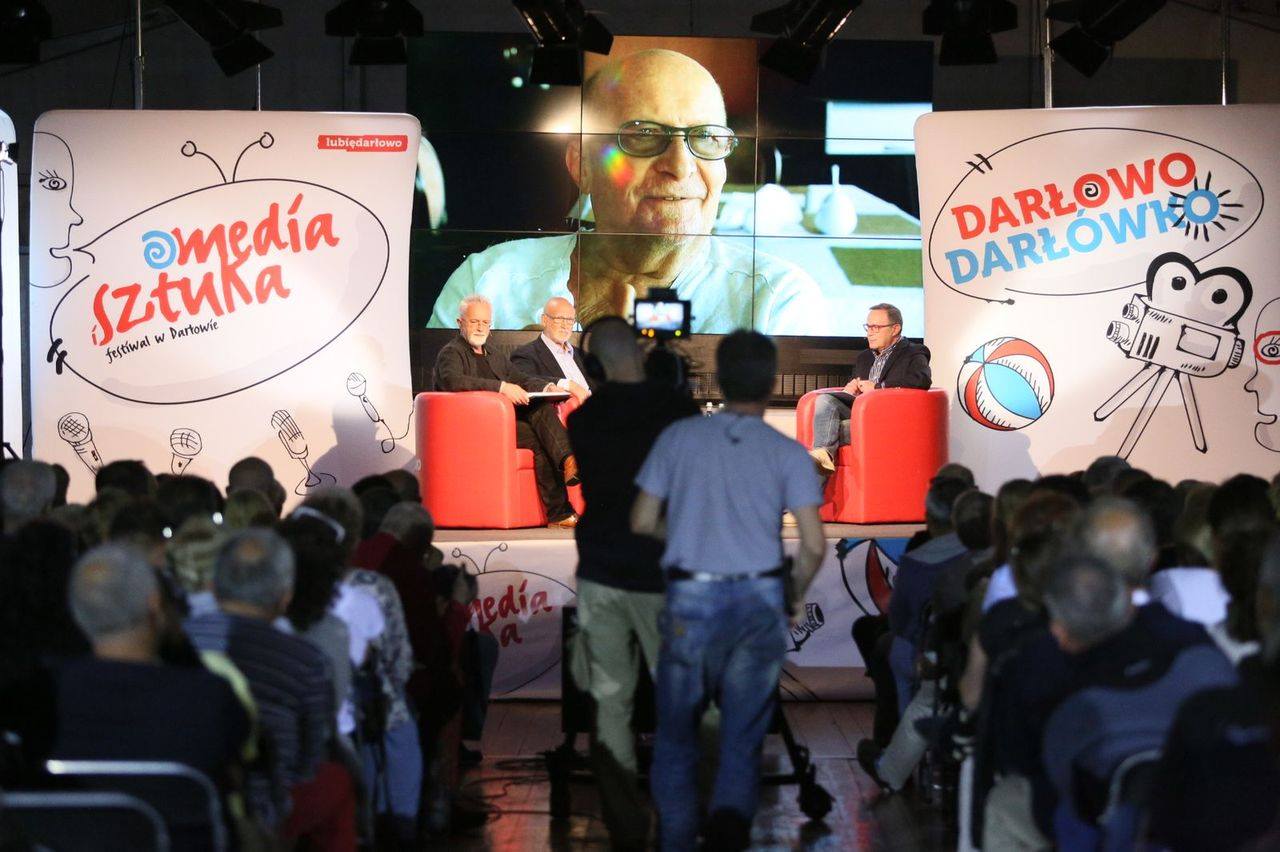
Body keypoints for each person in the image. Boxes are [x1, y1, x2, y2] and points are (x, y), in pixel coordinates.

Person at [427, 49, 825, 335]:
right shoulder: (489, 285)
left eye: (705, 137)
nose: (681, 165)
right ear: (582, 165)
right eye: (644, 135)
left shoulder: (776, 304)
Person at [631, 330, 826, 851]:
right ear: (771, 381)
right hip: (759, 600)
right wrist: (794, 593)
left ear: (719, 377)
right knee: (742, 735)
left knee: (676, 735)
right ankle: (729, 828)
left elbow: (642, 519)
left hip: (690, 598)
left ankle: (676, 838)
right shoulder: (787, 452)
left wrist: (688, 533)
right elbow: (813, 545)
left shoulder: (680, 438)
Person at [566, 316, 699, 849]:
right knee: (681, 703)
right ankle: (680, 822)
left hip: (601, 571)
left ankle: (626, 829)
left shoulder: (585, 419)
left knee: (609, 705)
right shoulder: (677, 411)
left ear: (593, 366)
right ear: (640, 353)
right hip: (663, 574)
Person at [53, 543, 249, 837]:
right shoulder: (208, 696)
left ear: (78, 612)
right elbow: (236, 774)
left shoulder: (44, 694)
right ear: (155, 604)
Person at [185, 529, 356, 848]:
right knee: (338, 780)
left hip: (186, 799)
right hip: (269, 808)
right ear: (285, 596)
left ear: (213, 586)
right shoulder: (306, 660)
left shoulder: (177, 642)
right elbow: (310, 758)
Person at [433, 293, 581, 528]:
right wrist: (501, 387)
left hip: (500, 425)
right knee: (537, 435)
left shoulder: (493, 353)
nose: (480, 327)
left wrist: (546, 387)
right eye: (474, 321)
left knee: (540, 415)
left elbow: (520, 378)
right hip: (471, 427)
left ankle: (568, 464)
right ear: (460, 322)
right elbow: (453, 381)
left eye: (485, 322)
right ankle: (563, 494)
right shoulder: (451, 353)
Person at [808, 303, 932, 474]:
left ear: (895, 329)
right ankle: (823, 456)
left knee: (827, 430)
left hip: (889, 421)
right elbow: (858, 387)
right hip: (861, 413)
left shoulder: (914, 352)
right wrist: (849, 390)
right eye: (868, 327)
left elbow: (921, 380)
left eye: (876, 327)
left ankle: (816, 470)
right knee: (825, 400)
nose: (869, 333)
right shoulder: (864, 357)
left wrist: (878, 387)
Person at [510, 297, 594, 403]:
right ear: (544, 320)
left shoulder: (584, 355)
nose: (565, 326)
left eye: (569, 320)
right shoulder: (525, 355)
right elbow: (523, 379)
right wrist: (567, 384)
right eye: (559, 319)